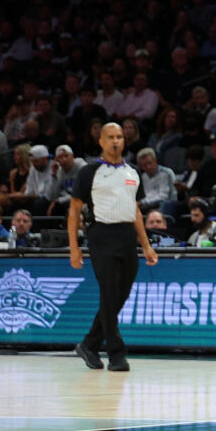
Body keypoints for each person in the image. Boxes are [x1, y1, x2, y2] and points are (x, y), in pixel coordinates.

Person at [67, 122, 160, 372]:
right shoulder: (89, 171)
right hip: (101, 234)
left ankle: (89, 344)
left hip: (127, 236)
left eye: (119, 136)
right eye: (110, 137)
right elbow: (74, 210)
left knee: (121, 295)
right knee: (109, 293)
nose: (116, 141)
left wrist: (146, 246)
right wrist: (74, 248)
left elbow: (136, 211)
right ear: (101, 141)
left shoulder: (132, 172)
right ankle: (117, 353)